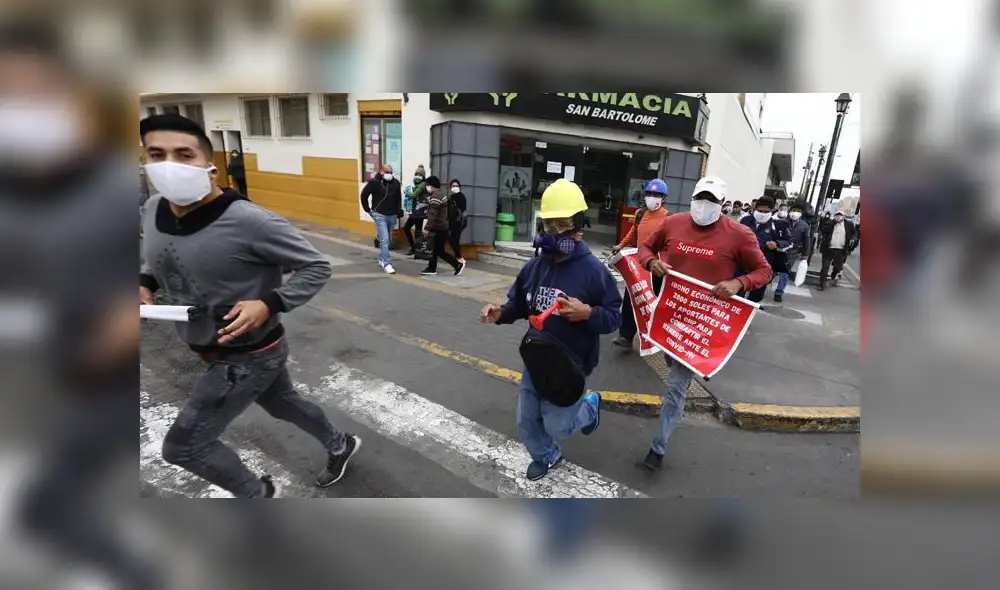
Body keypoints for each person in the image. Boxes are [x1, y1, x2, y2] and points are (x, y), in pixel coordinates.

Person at [1, 21, 159, 589]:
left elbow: (159, 265)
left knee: (47, 507)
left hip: (100, 391)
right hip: (29, 397)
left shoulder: (115, 188)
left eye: (36, 93)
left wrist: (134, 301)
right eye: (6, 96)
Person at [139, 114, 361, 497]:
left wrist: (269, 302)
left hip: (247, 355)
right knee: (282, 404)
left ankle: (258, 495)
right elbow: (159, 258)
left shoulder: (250, 221)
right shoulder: (152, 209)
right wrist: (146, 282)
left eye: (184, 154)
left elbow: (316, 266)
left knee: (184, 447)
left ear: (210, 166)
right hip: (208, 345)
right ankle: (341, 443)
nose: (169, 166)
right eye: (157, 154)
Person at [480, 179, 622, 481]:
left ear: (579, 226)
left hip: (572, 364)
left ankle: (589, 409)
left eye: (562, 224)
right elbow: (518, 302)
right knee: (527, 421)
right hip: (536, 357)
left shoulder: (594, 272)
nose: (552, 233)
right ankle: (547, 455)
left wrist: (587, 313)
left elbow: (613, 317)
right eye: (548, 225)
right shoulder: (535, 266)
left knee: (559, 425)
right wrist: (500, 313)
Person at [637, 176, 772, 471]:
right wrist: (651, 262)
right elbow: (644, 249)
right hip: (670, 316)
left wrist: (739, 282)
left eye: (712, 200)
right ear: (692, 197)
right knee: (672, 367)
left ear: (722, 205)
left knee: (676, 384)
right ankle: (691, 368)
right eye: (701, 198)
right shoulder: (674, 223)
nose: (704, 205)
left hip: (702, 322)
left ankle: (657, 449)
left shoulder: (740, 234)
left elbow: (764, 271)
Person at [611, 178, 669, 349]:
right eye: (649, 194)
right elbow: (633, 233)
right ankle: (626, 336)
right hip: (638, 266)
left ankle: (653, 336)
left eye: (656, 195)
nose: (652, 197)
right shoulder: (640, 214)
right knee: (631, 298)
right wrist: (620, 246)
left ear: (663, 198)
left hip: (656, 268)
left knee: (653, 302)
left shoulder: (668, 218)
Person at [739, 195, 791, 303]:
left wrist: (777, 244)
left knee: (756, 296)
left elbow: (789, 242)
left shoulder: (777, 225)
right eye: (760, 210)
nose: (762, 214)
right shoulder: (745, 221)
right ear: (754, 209)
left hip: (763, 265)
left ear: (772, 211)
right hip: (741, 263)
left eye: (766, 211)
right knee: (738, 292)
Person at [360, 163, 404, 274]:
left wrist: (398, 211)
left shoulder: (396, 183)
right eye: (386, 172)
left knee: (387, 239)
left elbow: (398, 198)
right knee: (384, 240)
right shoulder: (375, 182)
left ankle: (381, 258)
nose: (389, 175)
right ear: (381, 171)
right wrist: (367, 209)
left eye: (390, 172)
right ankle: (386, 263)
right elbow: (364, 194)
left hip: (392, 215)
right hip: (379, 214)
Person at [420, 176, 465, 276]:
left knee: (439, 250)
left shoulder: (435, 197)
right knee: (435, 249)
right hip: (443, 226)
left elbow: (432, 215)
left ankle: (457, 264)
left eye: (428, 185)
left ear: (431, 186)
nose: (427, 187)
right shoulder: (442, 194)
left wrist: (427, 229)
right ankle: (432, 268)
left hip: (439, 227)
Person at [774, 201, 810, 302]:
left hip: (792, 252)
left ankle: (779, 292)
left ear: (801, 213)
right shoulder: (782, 222)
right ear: (790, 211)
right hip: (779, 249)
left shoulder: (804, 226)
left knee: (784, 273)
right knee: (771, 271)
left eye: (798, 211)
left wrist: (805, 254)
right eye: (794, 210)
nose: (795, 213)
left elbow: (807, 240)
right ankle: (761, 287)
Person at [817, 211, 857, 290]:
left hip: (840, 250)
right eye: (837, 215)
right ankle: (822, 285)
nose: (838, 217)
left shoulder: (849, 224)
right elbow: (823, 230)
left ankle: (833, 277)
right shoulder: (830, 223)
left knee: (837, 267)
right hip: (828, 249)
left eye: (840, 215)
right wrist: (833, 223)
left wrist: (853, 239)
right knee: (825, 268)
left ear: (843, 216)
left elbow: (854, 233)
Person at [402, 165, 428, 256]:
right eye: (416, 174)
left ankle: (414, 248)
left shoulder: (422, 184)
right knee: (418, 231)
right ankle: (418, 250)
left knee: (406, 228)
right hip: (418, 211)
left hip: (418, 212)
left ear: (423, 175)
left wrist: (407, 192)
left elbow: (413, 195)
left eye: (419, 174)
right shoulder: (419, 184)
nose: (417, 175)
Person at [447, 178, 468, 264]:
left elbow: (462, 210)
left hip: (458, 222)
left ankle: (459, 258)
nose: (455, 187)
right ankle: (458, 258)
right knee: (454, 240)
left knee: (452, 239)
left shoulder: (461, 197)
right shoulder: (452, 196)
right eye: (453, 186)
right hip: (453, 221)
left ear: (459, 187)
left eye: (457, 186)